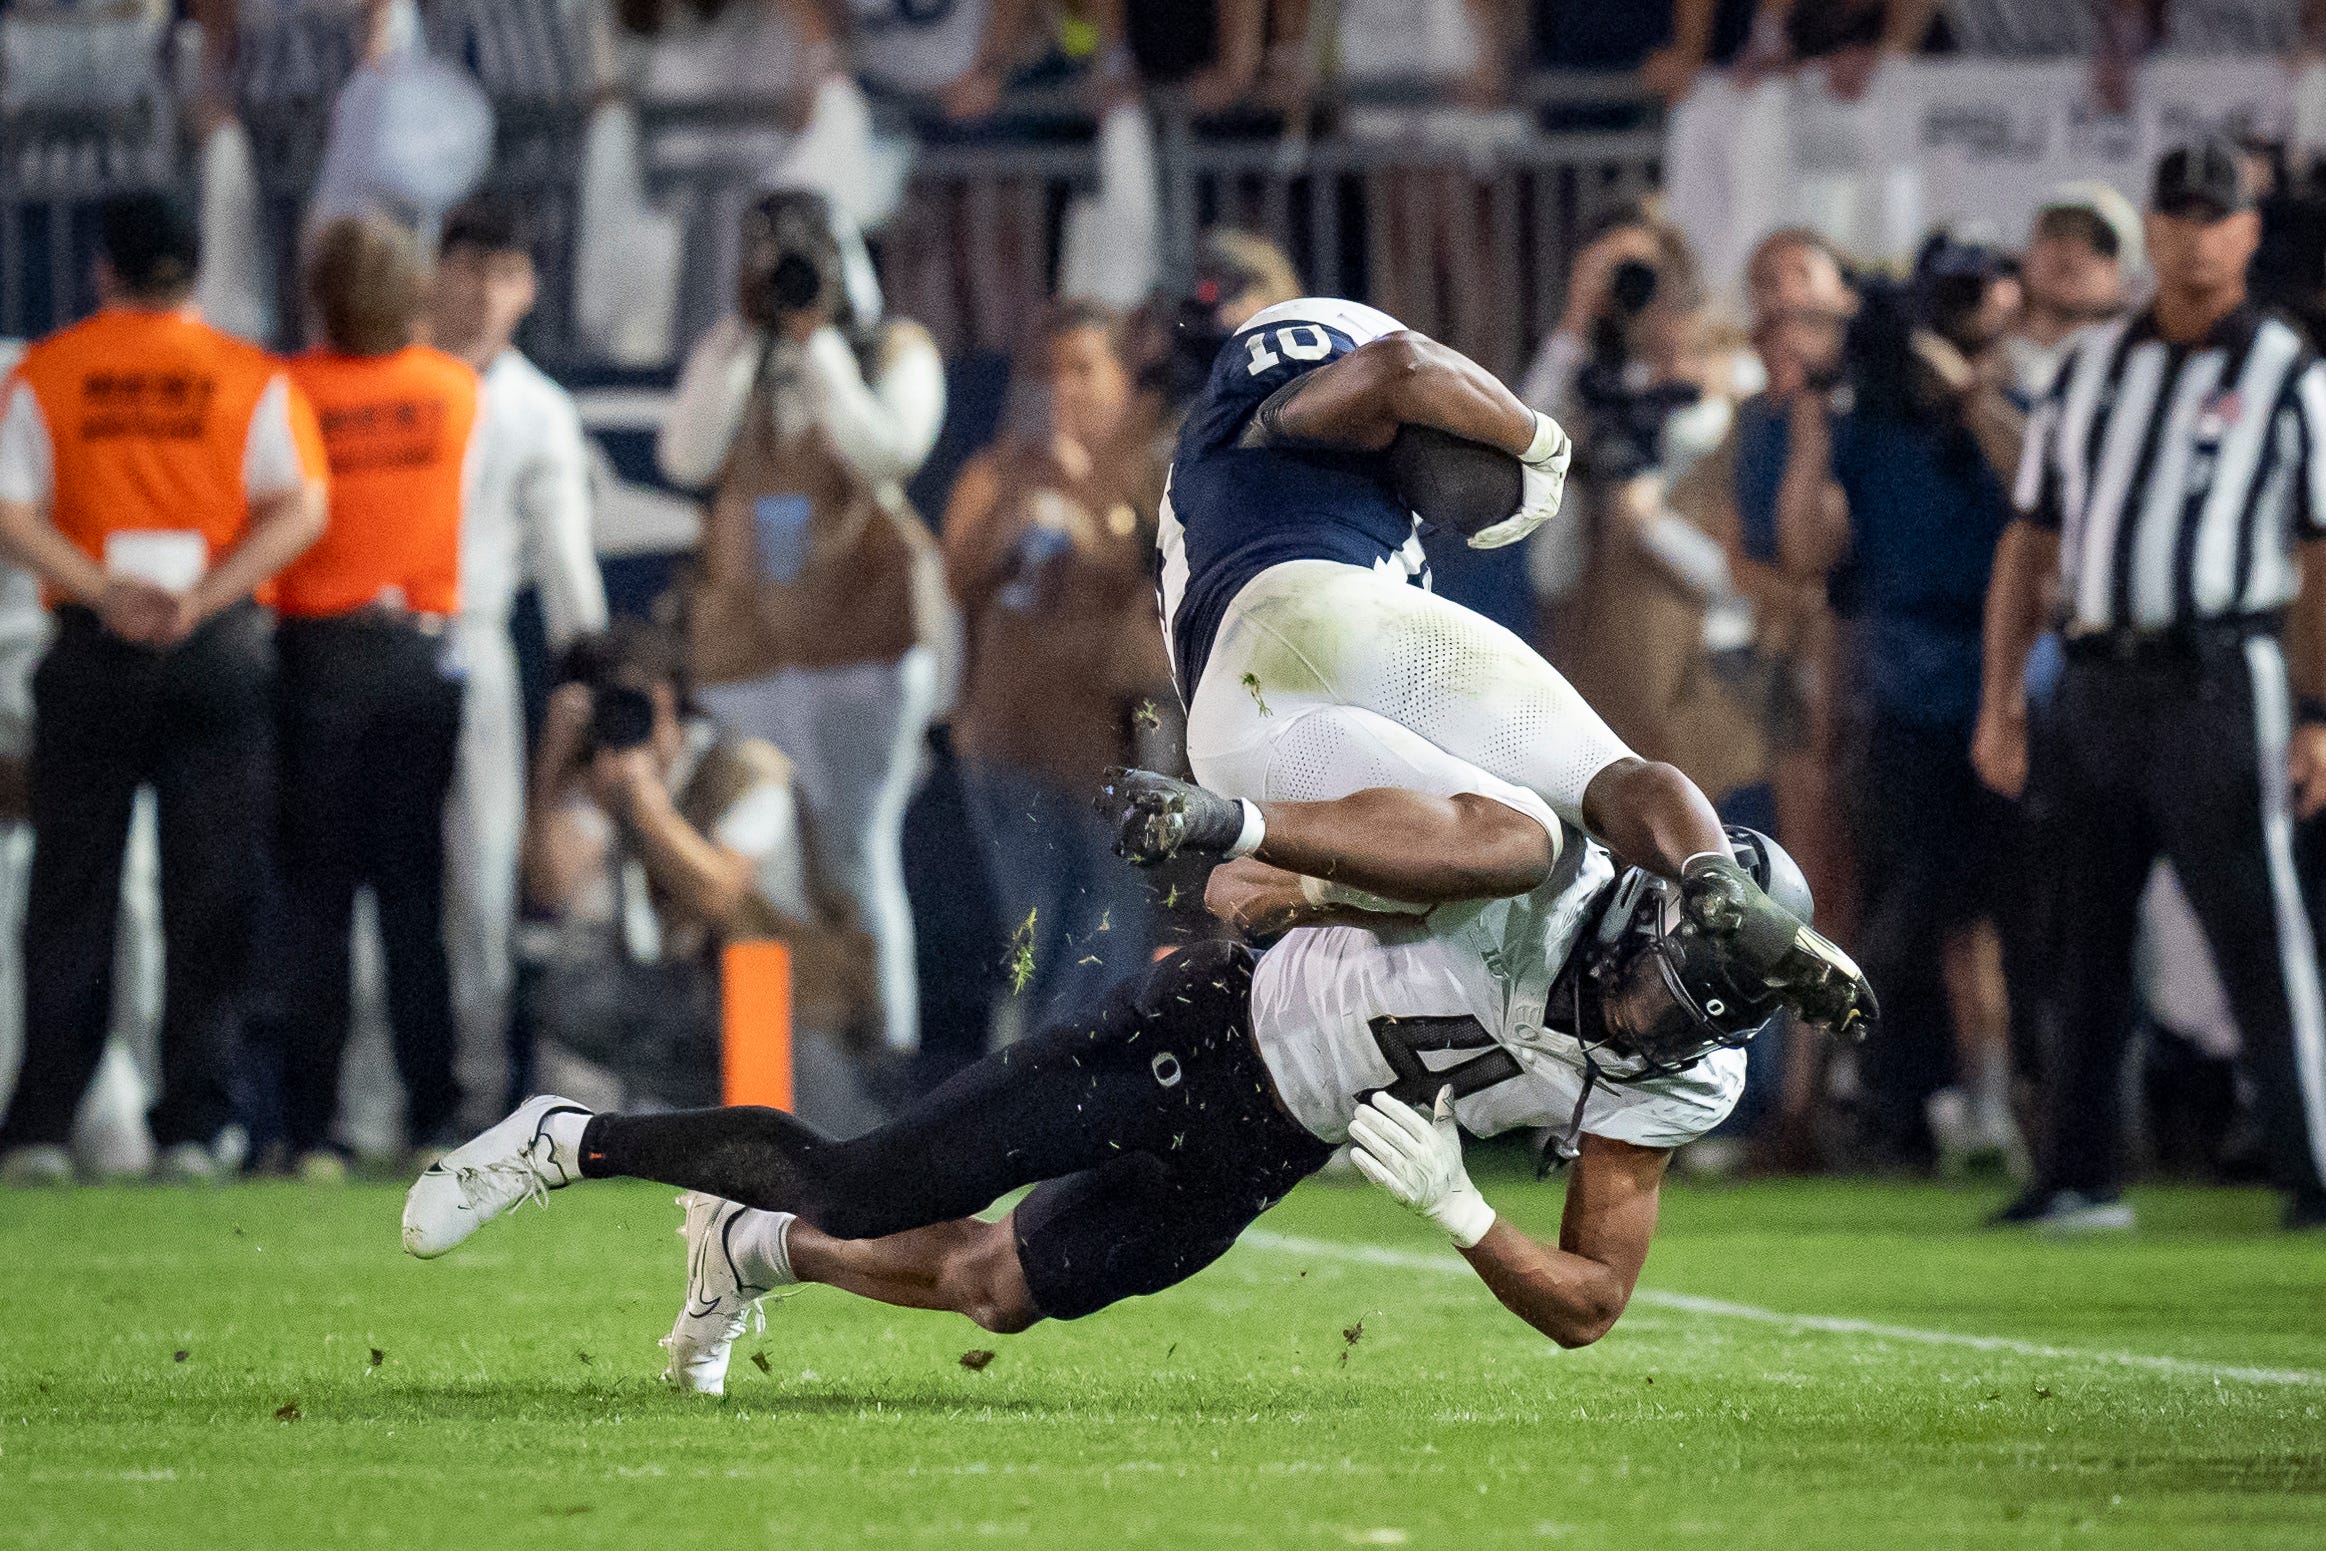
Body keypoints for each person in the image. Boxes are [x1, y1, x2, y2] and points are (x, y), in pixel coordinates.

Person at [405, 769, 1840, 1393]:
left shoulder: (1683, 1072)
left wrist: (1466, 1212)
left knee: (1002, 1288)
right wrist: (1274, 865)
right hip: (1207, 1027)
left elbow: (1592, 1301)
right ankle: (565, 1138)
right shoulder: (1541, 879)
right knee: (868, 1174)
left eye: (1684, 1012)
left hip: (1278, 1132)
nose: (1647, 1013)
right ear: (1657, 908)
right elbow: (1402, 856)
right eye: (1653, 976)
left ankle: (754, 1249)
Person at [1154, 291, 1872, 1033]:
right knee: (1605, 783)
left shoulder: (1207, 482)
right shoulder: (1269, 409)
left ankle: (1227, 823)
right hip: (1338, 607)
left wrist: (1305, 885)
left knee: (1509, 841)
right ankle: (1712, 872)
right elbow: (1401, 367)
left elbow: (1416, 865)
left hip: (1230, 722)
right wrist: (1539, 443)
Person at [1975, 136, 2326, 1232]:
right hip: (2091, 676)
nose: (2190, 235)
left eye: (2211, 216)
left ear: (2245, 232)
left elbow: (2322, 554)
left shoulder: (2291, 373)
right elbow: (2028, 545)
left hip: (2221, 672)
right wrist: (2001, 701)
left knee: (2258, 933)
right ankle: (2078, 1173)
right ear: (2154, 229)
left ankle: (2313, 1170)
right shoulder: (2085, 371)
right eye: (2172, 215)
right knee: (2081, 937)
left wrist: (2318, 709)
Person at [0, 193, 328, 1185]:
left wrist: (103, 591)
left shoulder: (48, 373)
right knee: (210, 891)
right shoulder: (249, 376)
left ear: (104, 268)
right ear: (192, 271)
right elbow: (303, 506)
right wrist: (204, 598)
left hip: (93, 645)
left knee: (72, 891)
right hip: (213, 647)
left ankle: (44, 1128)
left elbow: (9, 510)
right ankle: (194, 1124)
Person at [658, 188, 947, 1058]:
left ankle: (886, 1056)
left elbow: (889, 449)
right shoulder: (741, 350)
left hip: (862, 643)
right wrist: (746, 340)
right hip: (752, 645)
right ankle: (785, 1056)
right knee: (769, 857)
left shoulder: (893, 348)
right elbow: (684, 455)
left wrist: (818, 342)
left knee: (858, 851)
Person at [1778, 234, 2025, 1171]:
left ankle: (2000, 1102)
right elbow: (1808, 550)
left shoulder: (2014, 410)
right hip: (1902, 693)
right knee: (1911, 908)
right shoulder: (1871, 428)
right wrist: (1812, 423)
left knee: (1999, 915)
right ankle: (1900, 1102)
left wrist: (1971, 393)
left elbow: (2044, 496)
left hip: (2005, 689)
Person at [270, 216, 480, 1171]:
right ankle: (433, 1113)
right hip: (419, 663)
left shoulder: (290, 392)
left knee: (315, 901)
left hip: (315, 658)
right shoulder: (453, 389)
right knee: (413, 897)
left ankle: (312, 1126)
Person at [520, 623, 873, 1122]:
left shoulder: (748, 768)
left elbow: (721, 894)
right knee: (568, 998)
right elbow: (551, 885)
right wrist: (551, 771)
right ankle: (692, 1125)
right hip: (698, 1001)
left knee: (827, 1142)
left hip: (793, 1009)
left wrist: (648, 807)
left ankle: (730, 1121)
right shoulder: (608, 775)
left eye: (629, 701)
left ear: (663, 698)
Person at [427, 194, 609, 1128]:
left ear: (529, 288)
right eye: (468, 268)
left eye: (503, 274)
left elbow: (568, 561)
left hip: (475, 639)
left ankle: (476, 1094)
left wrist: (591, 673)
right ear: (435, 270)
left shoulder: (539, 408)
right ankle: (370, 1104)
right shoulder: (392, 375)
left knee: (483, 869)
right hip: (368, 640)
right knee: (379, 877)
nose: (482, 294)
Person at [944, 301, 1172, 1024]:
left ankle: (1095, 1094)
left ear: (1121, 377)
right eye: (1045, 371)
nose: (1063, 389)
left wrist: (1087, 522)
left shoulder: (1147, 473)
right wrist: (1013, 518)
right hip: (1013, 745)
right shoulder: (996, 472)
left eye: (1082, 368)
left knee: (1114, 934)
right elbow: (954, 579)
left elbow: (1155, 576)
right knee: (1029, 936)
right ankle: (1014, 1097)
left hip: (1116, 748)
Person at [2005, 185, 2138, 402]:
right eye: (2057, 233)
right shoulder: (1979, 355)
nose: (2073, 251)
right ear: (2027, 256)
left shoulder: (2136, 366)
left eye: (2098, 242)